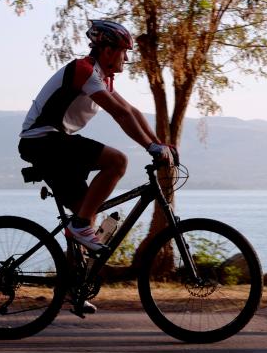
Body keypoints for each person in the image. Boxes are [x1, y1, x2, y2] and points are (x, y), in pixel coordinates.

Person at [19, 19, 173, 251]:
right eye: (124, 52)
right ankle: (79, 226)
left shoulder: (101, 77)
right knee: (117, 161)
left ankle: (72, 283)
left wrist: (160, 144)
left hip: (51, 143)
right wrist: (149, 147)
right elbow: (119, 114)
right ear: (108, 51)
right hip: (42, 141)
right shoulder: (85, 71)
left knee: (86, 214)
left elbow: (132, 111)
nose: (127, 59)